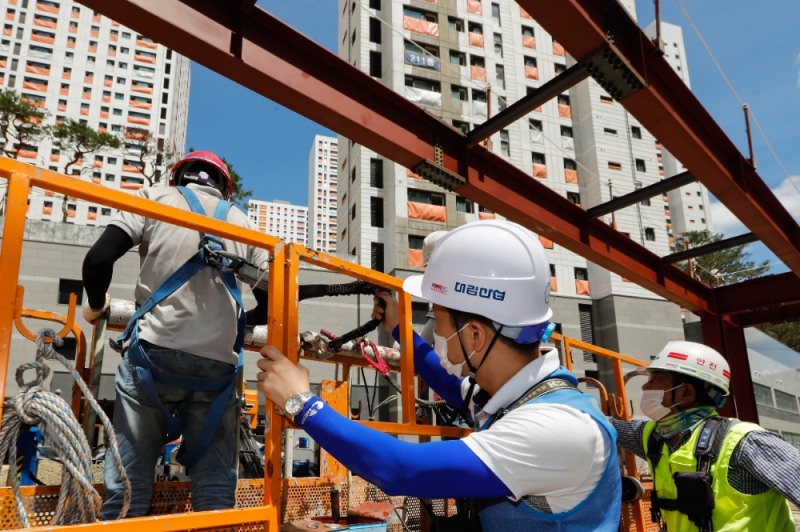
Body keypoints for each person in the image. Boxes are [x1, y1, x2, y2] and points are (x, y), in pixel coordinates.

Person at [258, 220, 621, 530]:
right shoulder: (523, 397)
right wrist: (400, 329)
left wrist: (302, 402)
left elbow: (403, 469)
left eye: (440, 320)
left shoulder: (555, 428)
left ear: (475, 335)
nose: (436, 331)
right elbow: (451, 385)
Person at [82, 151, 269, 519]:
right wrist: (239, 323)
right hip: (219, 369)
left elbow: (98, 260)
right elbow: (272, 300)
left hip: (154, 356)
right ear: (225, 188)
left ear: (178, 177)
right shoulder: (243, 222)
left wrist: (95, 305)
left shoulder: (154, 197)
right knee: (215, 484)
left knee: (130, 478)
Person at [612, 340, 800, 531]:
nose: (645, 388)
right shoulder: (655, 437)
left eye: (654, 379)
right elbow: (605, 425)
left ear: (686, 393)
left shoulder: (746, 442)